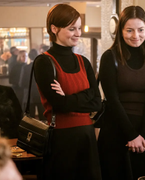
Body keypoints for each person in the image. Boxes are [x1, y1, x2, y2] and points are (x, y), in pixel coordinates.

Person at [97, 6, 145, 180]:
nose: (136, 36)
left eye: (140, 30)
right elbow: (112, 99)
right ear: (121, 31)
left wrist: (144, 135)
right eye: (129, 30)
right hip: (116, 129)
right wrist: (132, 135)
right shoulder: (109, 57)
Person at [33, 4, 102, 180]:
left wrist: (67, 97)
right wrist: (80, 99)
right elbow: (59, 104)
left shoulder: (83, 61)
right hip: (61, 138)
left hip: (87, 136)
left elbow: (97, 103)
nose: (78, 33)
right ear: (54, 29)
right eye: (72, 29)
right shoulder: (44, 62)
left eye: (79, 28)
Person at [19, 49, 45, 120]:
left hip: (29, 95)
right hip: (41, 95)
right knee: (43, 118)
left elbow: (21, 83)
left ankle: (32, 131)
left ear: (29, 57)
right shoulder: (42, 67)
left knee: (30, 119)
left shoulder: (25, 67)